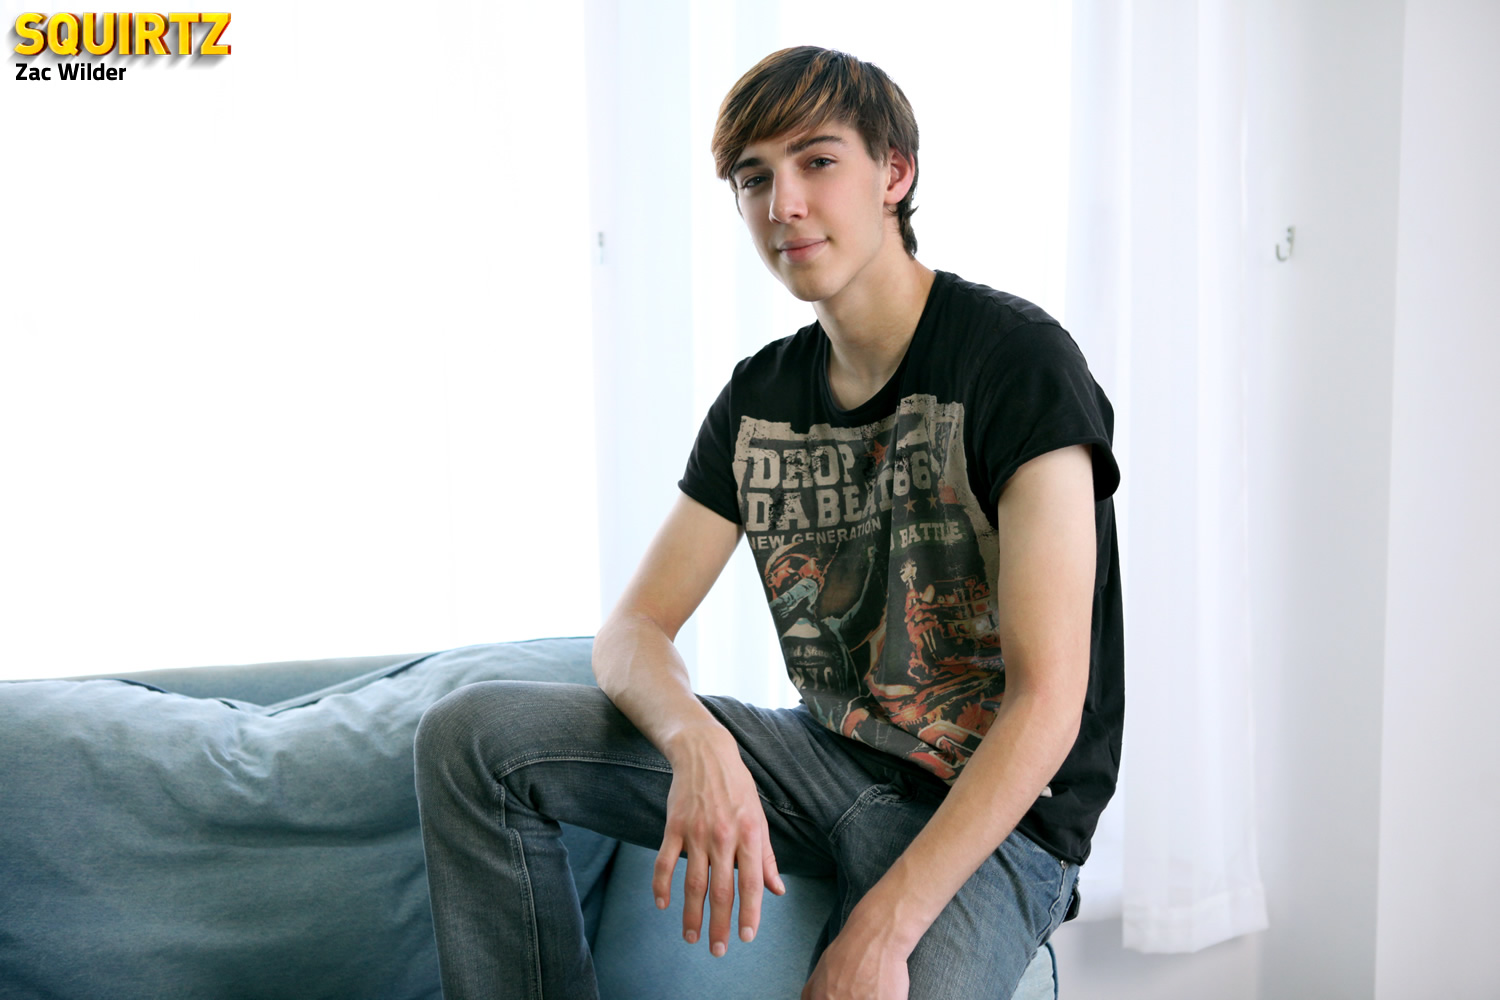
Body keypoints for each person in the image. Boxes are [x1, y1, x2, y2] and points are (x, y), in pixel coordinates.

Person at [414, 45, 1123, 1000]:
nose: (782, 203)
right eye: (753, 178)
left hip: (999, 815)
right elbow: (632, 630)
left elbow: (1048, 701)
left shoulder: (1017, 362)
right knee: (473, 738)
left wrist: (881, 929)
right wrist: (695, 743)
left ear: (895, 174)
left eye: (817, 161)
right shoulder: (760, 398)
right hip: (825, 760)